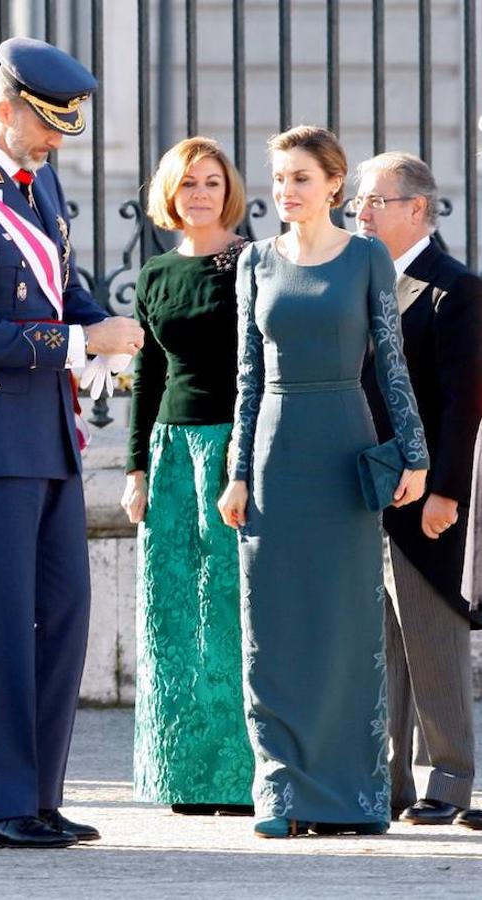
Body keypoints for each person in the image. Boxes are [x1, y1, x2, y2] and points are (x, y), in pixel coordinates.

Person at [0, 37, 144, 849]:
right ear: (6, 109)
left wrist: (104, 327)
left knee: (62, 616)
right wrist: (79, 345)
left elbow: (63, 285)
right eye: (46, 126)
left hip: (47, 434)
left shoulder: (39, 184)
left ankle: (39, 796)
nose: (55, 142)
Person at [217, 126, 428, 839]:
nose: (285, 192)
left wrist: (413, 455)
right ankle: (279, 789)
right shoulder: (252, 262)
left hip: (343, 442)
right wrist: (235, 472)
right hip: (275, 452)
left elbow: (391, 365)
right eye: (278, 179)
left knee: (342, 624)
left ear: (334, 185)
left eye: (300, 178)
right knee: (271, 626)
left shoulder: (366, 257)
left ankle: (350, 796)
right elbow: (246, 378)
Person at [121, 137, 253, 816]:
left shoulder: (251, 265)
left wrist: (244, 462)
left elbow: (258, 370)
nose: (198, 194)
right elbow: (146, 375)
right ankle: (180, 777)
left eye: (210, 182)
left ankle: (235, 777)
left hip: (231, 450)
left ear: (226, 190)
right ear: (168, 196)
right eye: (186, 184)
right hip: (171, 453)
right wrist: (136, 467)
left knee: (226, 610)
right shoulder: (152, 275)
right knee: (170, 613)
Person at [354, 152, 482, 830]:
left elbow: (464, 405)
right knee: (379, 650)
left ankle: (451, 782)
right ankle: (390, 782)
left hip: (424, 502)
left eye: (374, 200)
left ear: (417, 208)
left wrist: (444, 494)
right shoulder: (362, 281)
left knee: (430, 642)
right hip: (363, 494)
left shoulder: (452, 288)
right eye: (357, 203)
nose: (360, 213)